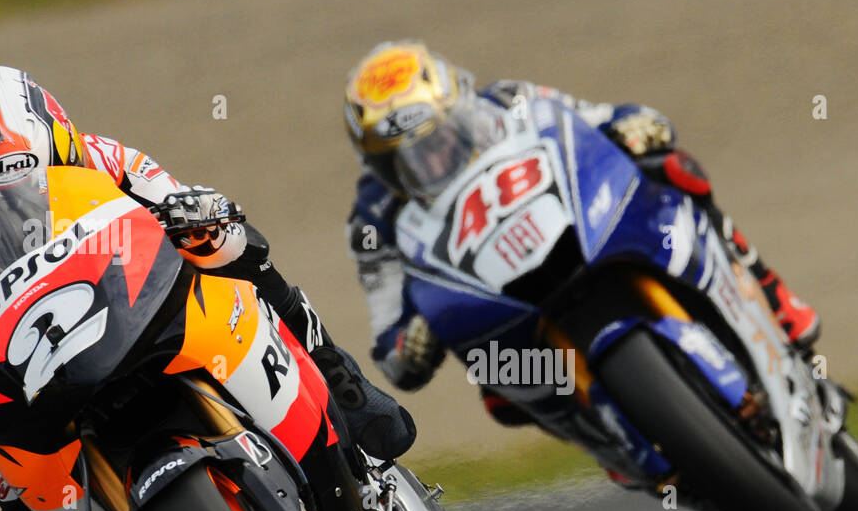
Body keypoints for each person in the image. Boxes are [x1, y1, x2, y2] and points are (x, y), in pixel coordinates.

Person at [0, 66, 414, 511]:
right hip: (27, 357)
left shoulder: (94, 154)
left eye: (36, 184)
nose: (16, 209)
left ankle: (337, 374)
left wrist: (199, 219)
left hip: (117, 300)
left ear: (63, 150)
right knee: (6, 486)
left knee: (229, 248)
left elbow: (181, 203)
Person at [341, 40, 820, 423]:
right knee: (496, 391)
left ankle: (776, 300)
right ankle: (601, 433)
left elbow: (595, 120)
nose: (432, 162)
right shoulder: (372, 218)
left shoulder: (510, 100)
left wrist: (634, 126)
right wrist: (410, 345)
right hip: (501, 310)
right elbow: (388, 338)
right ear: (375, 164)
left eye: (441, 139)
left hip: (580, 230)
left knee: (669, 169)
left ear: (460, 106)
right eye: (401, 161)